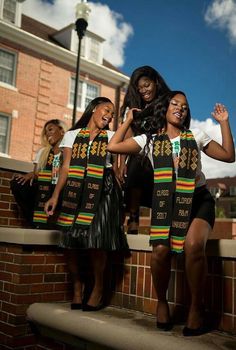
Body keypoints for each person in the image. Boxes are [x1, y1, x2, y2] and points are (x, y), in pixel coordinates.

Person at [107, 91, 235, 335]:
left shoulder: (195, 135)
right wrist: (128, 120)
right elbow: (113, 146)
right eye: (175, 104)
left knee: (194, 245)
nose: (180, 108)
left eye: (185, 106)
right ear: (165, 109)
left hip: (198, 200)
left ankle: (196, 307)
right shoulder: (150, 141)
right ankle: (162, 302)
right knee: (160, 252)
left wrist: (224, 122)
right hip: (167, 203)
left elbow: (229, 156)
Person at [44, 97, 127, 311]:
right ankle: (78, 285)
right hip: (76, 190)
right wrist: (54, 196)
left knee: (97, 238)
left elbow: (129, 142)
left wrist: (120, 165)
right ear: (94, 108)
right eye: (106, 109)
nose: (109, 115)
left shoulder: (112, 136)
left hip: (104, 188)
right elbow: (66, 168)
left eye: (113, 114)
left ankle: (98, 288)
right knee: (70, 240)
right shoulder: (71, 136)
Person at [119, 65, 170, 234]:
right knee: (136, 163)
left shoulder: (167, 101)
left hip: (163, 150)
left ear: (155, 82)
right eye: (139, 88)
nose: (143, 90)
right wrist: (120, 164)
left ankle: (161, 222)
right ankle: (133, 219)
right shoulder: (134, 106)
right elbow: (127, 136)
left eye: (146, 85)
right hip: (139, 151)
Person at [10, 119, 67, 227]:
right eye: (45, 132)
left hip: (61, 188)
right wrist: (30, 175)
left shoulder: (68, 151)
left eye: (50, 130)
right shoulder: (43, 152)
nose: (47, 134)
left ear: (62, 131)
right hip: (45, 186)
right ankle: (32, 219)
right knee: (17, 183)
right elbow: (36, 173)